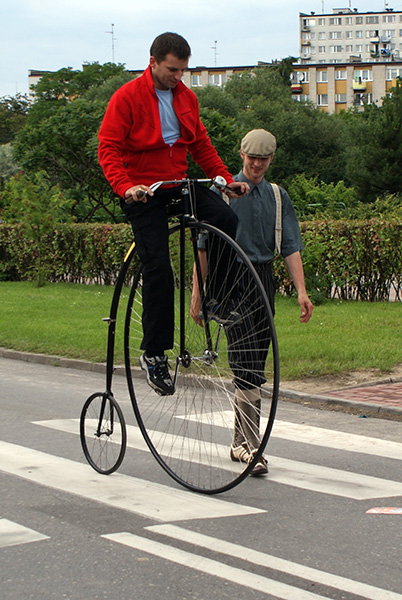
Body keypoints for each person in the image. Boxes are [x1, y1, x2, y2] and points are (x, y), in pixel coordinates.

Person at [98, 32, 248, 396]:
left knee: (225, 218)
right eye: (171, 69)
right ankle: (153, 356)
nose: (177, 77)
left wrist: (226, 180)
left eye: (183, 70)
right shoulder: (127, 98)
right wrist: (125, 186)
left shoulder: (187, 98)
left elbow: (200, 144)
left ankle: (216, 298)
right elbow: (108, 148)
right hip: (143, 193)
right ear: (152, 62)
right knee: (158, 269)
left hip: (177, 184)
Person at [191, 129, 314, 475]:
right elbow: (202, 246)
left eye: (264, 159)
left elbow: (290, 246)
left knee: (257, 361)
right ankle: (250, 446)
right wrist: (197, 295)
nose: (257, 164)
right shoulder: (224, 192)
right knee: (244, 360)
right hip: (230, 277)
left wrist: (301, 291)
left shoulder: (278, 196)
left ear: (272, 159)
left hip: (264, 278)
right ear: (241, 156)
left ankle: (239, 443)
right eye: (252, 158)